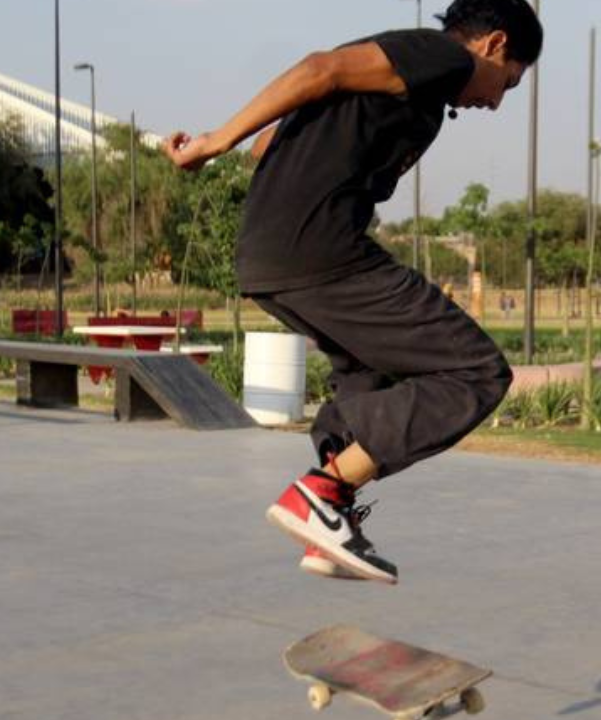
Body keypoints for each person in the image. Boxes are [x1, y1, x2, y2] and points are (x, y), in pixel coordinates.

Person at [163, 0, 542, 584]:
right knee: (477, 372)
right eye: (507, 83)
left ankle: (327, 517)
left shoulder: (418, 87)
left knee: (370, 375)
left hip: (270, 257)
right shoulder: (442, 56)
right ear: (493, 44)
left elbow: (271, 145)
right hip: (322, 253)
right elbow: (321, 69)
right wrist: (216, 141)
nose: (494, 102)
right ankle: (321, 495)